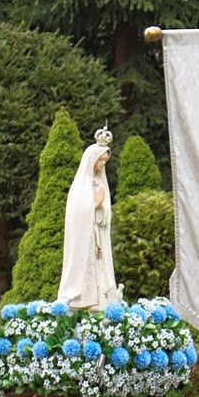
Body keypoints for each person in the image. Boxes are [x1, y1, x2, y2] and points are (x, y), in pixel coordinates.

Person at [58, 126, 122, 311]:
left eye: (104, 161)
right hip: (84, 238)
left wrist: (101, 207)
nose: (102, 164)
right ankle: (80, 300)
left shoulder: (101, 183)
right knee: (85, 269)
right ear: (91, 160)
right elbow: (76, 212)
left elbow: (106, 215)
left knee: (101, 270)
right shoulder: (80, 185)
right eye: (100, 160)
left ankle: (101, 303)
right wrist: (93, 204)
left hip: (98, 237)